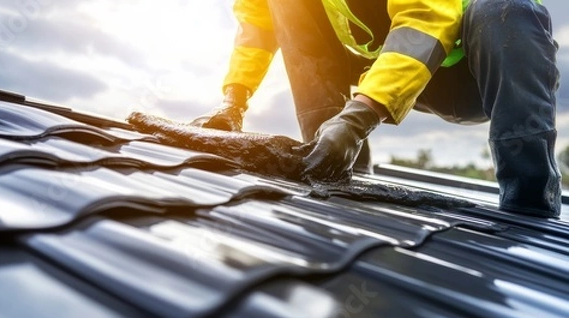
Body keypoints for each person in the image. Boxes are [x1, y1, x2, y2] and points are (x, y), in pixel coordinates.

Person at [190, 0, 562, 218]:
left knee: (506, 7)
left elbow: (424, 22)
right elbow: (257, 27)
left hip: (477, 72)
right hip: (404, 74)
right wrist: (233, 101)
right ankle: (330, 162)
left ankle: (529, 198)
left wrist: (360, 116)